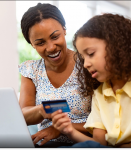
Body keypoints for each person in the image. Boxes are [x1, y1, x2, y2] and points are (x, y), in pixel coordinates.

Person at [51, 13, 131, 148]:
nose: (85, 64)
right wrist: (69, 131)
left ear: (117, 46)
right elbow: (98, 143)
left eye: (91, 54)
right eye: (83, 57)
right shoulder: (100, 93)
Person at [18, 3, 91, 148]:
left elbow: (106, 122)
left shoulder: (88, 63)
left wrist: (60, 128)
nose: (51, 47)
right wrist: (41, 109)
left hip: (85, 143)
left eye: (55, 36)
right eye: (40, 43)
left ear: (64, 29)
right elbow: (22, 116)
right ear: (32, 44)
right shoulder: (31, 70)